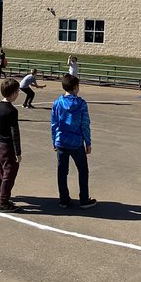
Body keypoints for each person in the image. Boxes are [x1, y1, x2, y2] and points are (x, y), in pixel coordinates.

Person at [50, 74, 96, 209]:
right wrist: (88, 142)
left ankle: (63, 199)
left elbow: (54, 124)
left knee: (62, 171)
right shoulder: (81, 104)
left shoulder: (57, 103)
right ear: (76, 87)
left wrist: (54, 140)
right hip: (76, 142)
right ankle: (84, 199)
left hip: (61, 141)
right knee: (83, 170)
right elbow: (85, 124)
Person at [0, 78, 23, 211]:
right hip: (8, 146)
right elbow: (14, 132)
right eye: (17, 92)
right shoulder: (12, 111)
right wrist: (18, 152)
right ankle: (3, 202)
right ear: (13, 93)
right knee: (9, 175)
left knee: (0, 172)